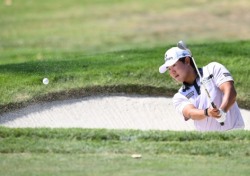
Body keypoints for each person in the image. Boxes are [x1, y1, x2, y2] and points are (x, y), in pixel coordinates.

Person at [159, 41, 245, 131]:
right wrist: (207, 112)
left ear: (187, 61)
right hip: (208, 142)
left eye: (174, 65)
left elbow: (230, 91)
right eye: (169, 69)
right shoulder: (179, 96)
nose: (172, 72)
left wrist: (222, 111)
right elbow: (190, 112)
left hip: (235, 133)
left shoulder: (213, 69)